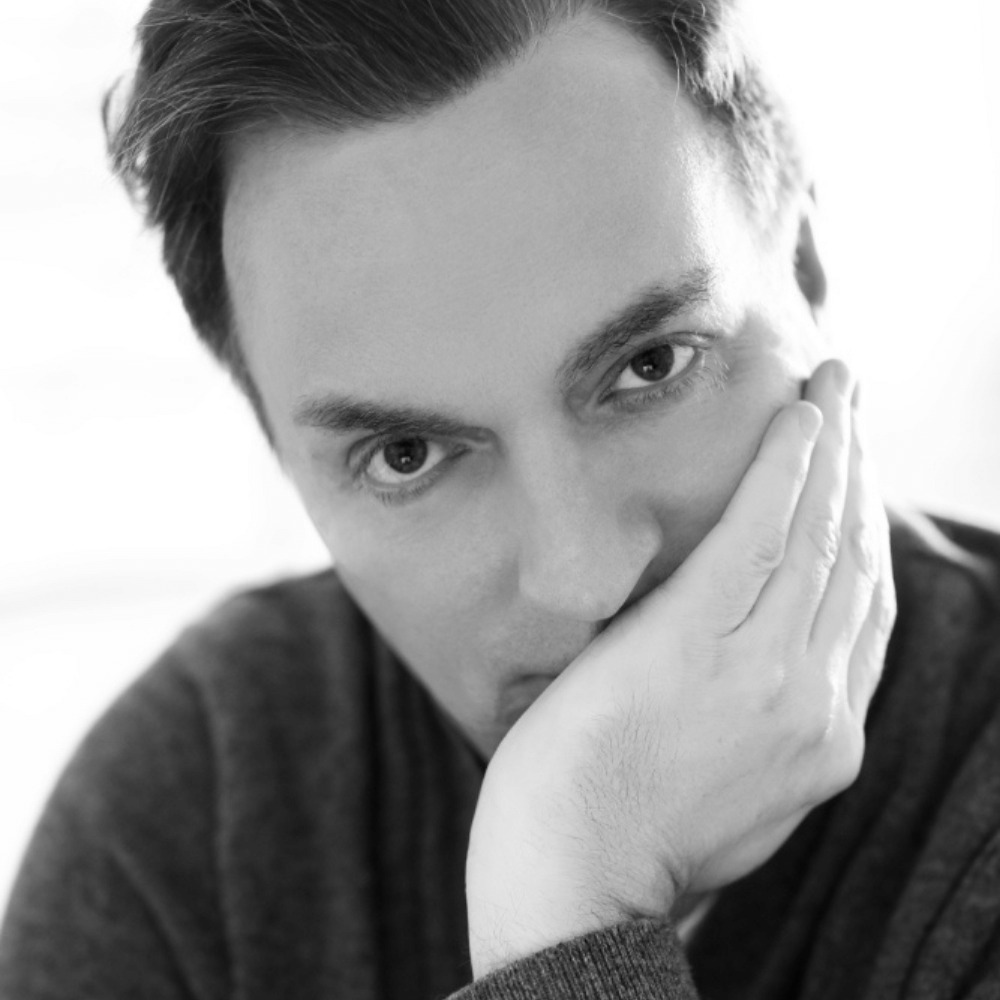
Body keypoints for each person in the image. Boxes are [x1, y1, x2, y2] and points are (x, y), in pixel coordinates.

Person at [2, 0, 999, 996]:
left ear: (805, 270)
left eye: (651, 365)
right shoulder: (196, 807)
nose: (583, 580)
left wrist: (570, 917)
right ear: (286, 466)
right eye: (406, 455)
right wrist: (573, 896)